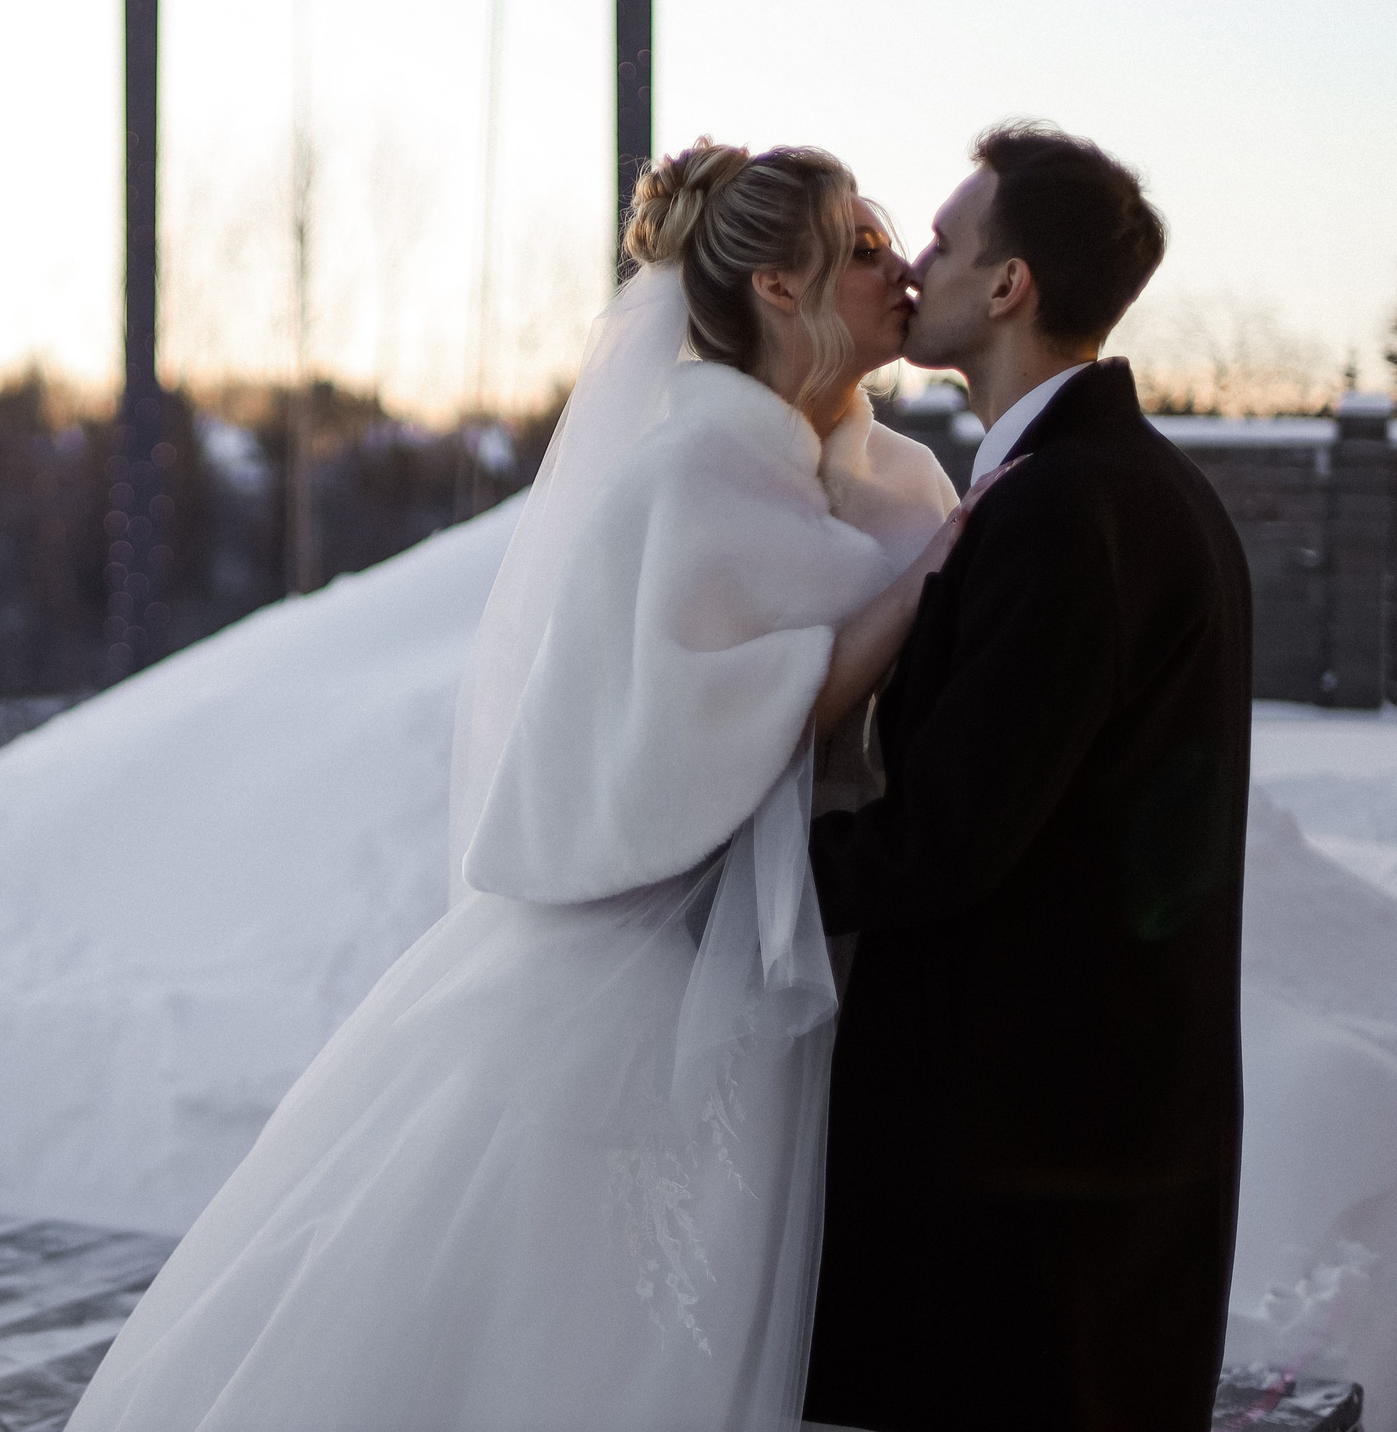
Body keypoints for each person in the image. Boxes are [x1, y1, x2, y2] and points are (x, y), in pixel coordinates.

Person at [68, 141, 968, 1432]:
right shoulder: (683, 482)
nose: (902, 272)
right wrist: (921, 591)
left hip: (807, 975)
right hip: (644, 982)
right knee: (563, 1326)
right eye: (865, 249)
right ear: (779, 285)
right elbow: (733, 722)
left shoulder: (901, 484)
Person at [803, 125, 1252, 1432]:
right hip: (1083, 1157)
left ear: (1009, 288)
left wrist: (720, 864)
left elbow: (947, 838)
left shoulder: (1068, 509)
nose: (915, 265)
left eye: (943, 241)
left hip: (1039, 1183)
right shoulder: (1129, 487)